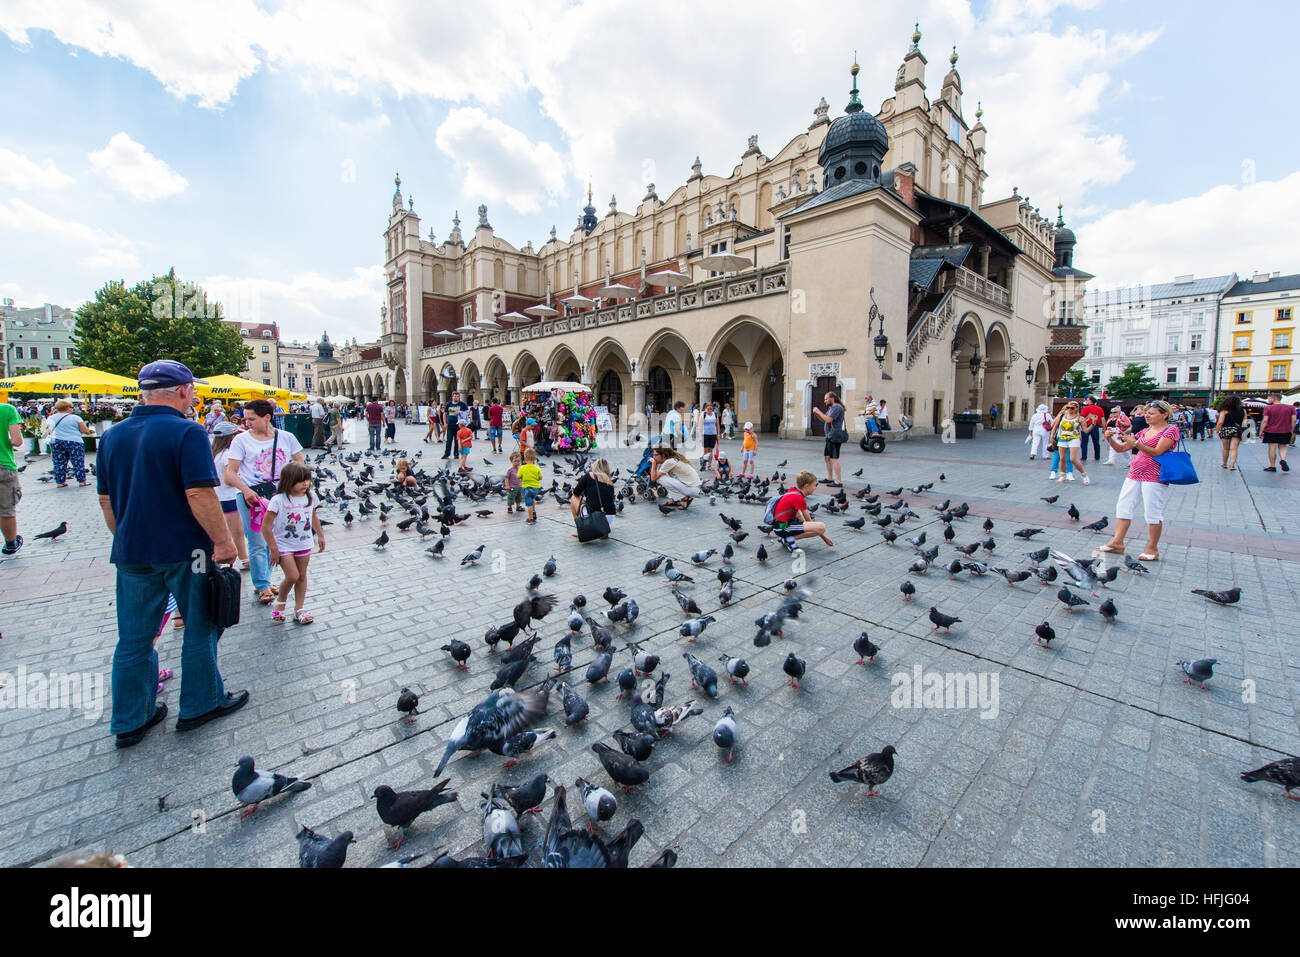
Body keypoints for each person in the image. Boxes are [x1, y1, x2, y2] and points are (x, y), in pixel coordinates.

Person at [96, 359, 246, 747]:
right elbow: (198, 493)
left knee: (133, 638)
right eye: (192, 390)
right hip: (187, 551)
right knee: (200, 624)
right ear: (182, 391)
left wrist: (126, 536)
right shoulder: (187, 432)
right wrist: (224, 542)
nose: (193, 395)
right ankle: (201, 704)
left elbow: (105, 499)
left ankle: (131, 719)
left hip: (132, 552)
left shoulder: (112, 436)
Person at [224, 398, 306, 605]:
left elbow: (300, 465)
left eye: (251, 419)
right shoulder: (240, 441)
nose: (246, 423)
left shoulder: (287, 437)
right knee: (257, 542)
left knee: (275, 539)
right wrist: (245, 490)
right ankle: (262, 584)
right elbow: (229, 474)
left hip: (281, 497)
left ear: (267, 417)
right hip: (253, 498)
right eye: (245, 419)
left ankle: (266, 580)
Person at [1099, 399, 1180, 562]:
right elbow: (1121, 448)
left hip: (1155, 475)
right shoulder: (1144, 431)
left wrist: (1135, 443)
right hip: (1134, 473)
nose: (1147, 416)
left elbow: (1157, 452)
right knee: (1123, 506)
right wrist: (1109, 438)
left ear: (1164, 415)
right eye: (1146, 413)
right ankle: (1117, 542)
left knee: (1152, 512)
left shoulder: (1171, 430)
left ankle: (1152, 548)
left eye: (1151, 413)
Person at [262, 462, 324, 624]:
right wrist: (273, 548)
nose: (305, 484)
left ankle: (299, 609)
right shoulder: (278, 500)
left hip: (304, 543)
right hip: (283, 544)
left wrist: (320, 535)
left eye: (307, 480)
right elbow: (266, 526)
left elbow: (314, 516)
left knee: (302, 576)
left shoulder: (310, 496)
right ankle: (280, 605)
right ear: (289, 481)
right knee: (292, 576)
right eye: (300, 480)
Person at [211, 422, 249, 571]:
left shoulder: (215, 453)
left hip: (220, 496)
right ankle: (244, 559)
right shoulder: (228, 455)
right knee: (237, 532)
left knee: (228, 530)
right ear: (232, 437)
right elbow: (229, 477)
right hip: (230, 496)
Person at [772, 470, 833, 549]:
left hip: (779, 526)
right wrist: (824, 537)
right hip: (782, 527)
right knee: (821, 527)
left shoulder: (793, 491)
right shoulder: (799, 498)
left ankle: (787, 538)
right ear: (806, 486)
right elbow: (809, 521)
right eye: (814, 485)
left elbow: (799, 515)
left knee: (817, 528)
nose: (815, 488)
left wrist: (807, 527)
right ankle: (788, 539)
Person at [44, 399, 93, 487]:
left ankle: (60, 482)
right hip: (74, 441)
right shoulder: (75, 418)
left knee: (59, 462)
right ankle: (82, 481)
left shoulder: (50, 418)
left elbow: (48, 430)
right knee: (77, 461)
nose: (72, 409)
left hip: (56, 441)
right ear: (67, 408)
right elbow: (84, 430)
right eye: (71, 407)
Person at [570, 457, 617, 539]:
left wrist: (583, 495)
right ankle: (603, 532)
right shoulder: (610, 482)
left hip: (595, 517)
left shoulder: (589, 476)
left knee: (573, 498)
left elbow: (576, 493)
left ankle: (579, 530)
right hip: (609, 517)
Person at [1049, 400, 1092, 484]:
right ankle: (1063, 475)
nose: (1069, 409)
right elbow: (1055, 426)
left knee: (1072, 459)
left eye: (1072, 408)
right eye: (1068, 407)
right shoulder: (1062, 416)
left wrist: (1093, 424)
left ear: (1076, 409)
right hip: (1062, 438)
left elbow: (1085, 431)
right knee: (1062, 458)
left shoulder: (1080, 418)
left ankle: (1084, 475)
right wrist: (1052, 436)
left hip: (1073, 438)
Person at [0, 396, 23, 555]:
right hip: (3, 465)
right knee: (6, 509)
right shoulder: (7, 409)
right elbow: (17, 441)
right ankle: (10, 545)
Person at [811, 391, 846, 487]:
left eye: (826, 399)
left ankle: (838, 481)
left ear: (832, 398)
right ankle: (830, 478)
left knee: (834, 458)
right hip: (829, 436)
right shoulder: (831, 408)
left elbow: (829, 420)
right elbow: (824, 419)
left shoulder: (837, 407)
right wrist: (817, 414)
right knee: (827, 457)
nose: (825, 401)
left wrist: (818, 411)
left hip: (834, 436)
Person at [1261, 392, 1296, 472]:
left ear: (1273, 399)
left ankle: (1272, 466)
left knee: (1272, 448)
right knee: (1283, 447)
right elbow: (1294, 420)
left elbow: (1265, 420)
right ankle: (1283, 460)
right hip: (1285, 430)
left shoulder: (1268, 408)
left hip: (1271, 430)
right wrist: (1291, 429)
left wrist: (1261, 430)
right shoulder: (1291, 408)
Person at [1215, 394, 1245, 470]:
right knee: (1234, 449)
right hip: (1237, 430)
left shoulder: (1224, 410)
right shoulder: (1243, 410)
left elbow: (1220, 422)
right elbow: (1245, 422)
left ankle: (1224, 464)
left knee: (1225, 448)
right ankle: (1232, 465)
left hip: (1226, 429)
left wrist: (1217, 430)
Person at [519, 447, 543, 524]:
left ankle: (531, 519)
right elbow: (540, 478)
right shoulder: (536, 468)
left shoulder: (522, 468)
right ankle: (533, 512)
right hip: (536, 488)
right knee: (533, 500)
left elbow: (519, 476)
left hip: (527, 488)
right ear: (535, 458)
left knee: (529, 504)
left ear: (525, 457)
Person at [442, 391, 467, 460]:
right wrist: (445, 423)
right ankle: (447, 453)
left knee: (457, 440)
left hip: (459, 426)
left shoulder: (462, 404)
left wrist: (460, 412)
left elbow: (467, 413)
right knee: (449, 440)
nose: (456, 397)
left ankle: (456, 454)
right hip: (450, 425)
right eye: (454, 396)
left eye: (457, 396)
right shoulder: (449, 404)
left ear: (459, 397)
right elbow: (445, 414)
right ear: (452, 397)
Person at [700, 403, 719, 471]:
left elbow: (717, 425)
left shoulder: (715, 414)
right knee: (705, 450)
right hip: (705, 434)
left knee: (711, 450)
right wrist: (700, 436)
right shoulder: (703, 414)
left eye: (711, 408)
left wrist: (718, 435)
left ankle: (709, 465)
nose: (710, 410)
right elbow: (700, 426)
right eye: (708, 408)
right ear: (706, 408)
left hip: (713, 434)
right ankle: (703, 465)